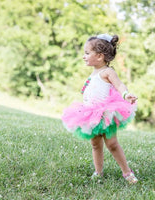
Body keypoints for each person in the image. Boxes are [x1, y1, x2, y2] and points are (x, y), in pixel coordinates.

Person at [61, 34, 138, 184]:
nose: (84, 56)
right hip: (91, 115)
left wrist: (126, 94)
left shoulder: (107, 72)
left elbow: (120, 85)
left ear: (100, 56)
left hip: (106, 113)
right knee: (95, 145)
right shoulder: (92, 74)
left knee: (112, 144)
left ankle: (127, 173)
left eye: (87, 53)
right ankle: (98, 172)